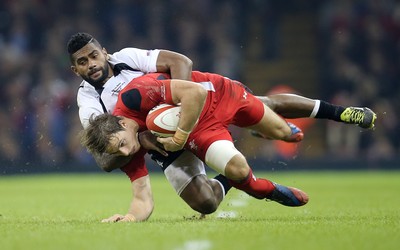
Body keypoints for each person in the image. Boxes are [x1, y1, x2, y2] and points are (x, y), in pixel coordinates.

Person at [68, 32, 376, 222]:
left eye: (94, 55)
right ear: (75, 69)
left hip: (193, 104)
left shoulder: (128, 58)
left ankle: (338, 112)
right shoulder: (89, 103)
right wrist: (148, 140)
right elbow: (107, 154)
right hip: (165, 140)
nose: (92, 64)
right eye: (83, 62)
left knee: (271, 111)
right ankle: (229, 177)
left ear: (104, 52)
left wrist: (181, 111)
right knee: (206, 203)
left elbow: (181, 63)